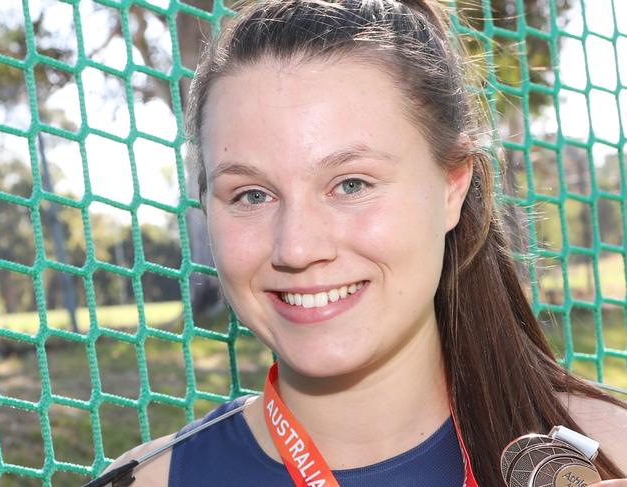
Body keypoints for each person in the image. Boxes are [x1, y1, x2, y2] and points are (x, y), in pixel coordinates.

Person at [97, 0, 627, 485]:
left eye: (351, 184)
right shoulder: (146, 479)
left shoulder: (610, 454)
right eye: (252, 195)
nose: (297, 247)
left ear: (452, 185)